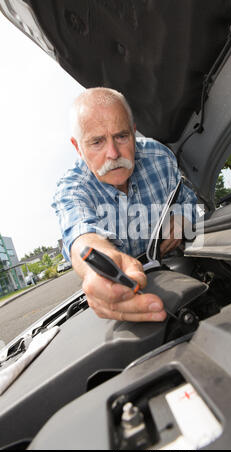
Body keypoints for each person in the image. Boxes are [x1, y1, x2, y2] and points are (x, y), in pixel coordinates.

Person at [52, 87, 198, 323]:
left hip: (183, 274)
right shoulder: (72, 190)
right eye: (97, 142)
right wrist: (101, 263)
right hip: (127, 304)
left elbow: (189, 200)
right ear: (77, 147)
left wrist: (182, 218)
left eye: (121, 136)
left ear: (133, 131)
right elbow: (79, 235)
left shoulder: (160, 157)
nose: (113, 153)